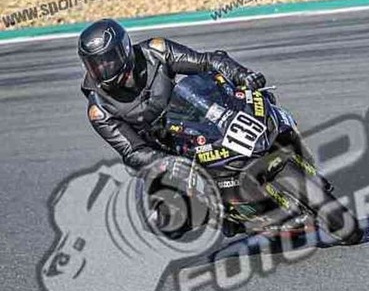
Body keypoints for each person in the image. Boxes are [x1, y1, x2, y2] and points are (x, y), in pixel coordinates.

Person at [79, 18, 265, 236]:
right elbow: (132, 151)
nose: (103, 69)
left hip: (198, 116)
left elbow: (207, 61)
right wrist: (167, 162)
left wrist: (242, 74)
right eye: (95, 65)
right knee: (166, 221)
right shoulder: (99, 109)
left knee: (248, 98)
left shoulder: (156, 52)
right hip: (166, 151)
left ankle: (276, 131)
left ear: (124, 50)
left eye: (108, 60)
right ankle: (217, 214)